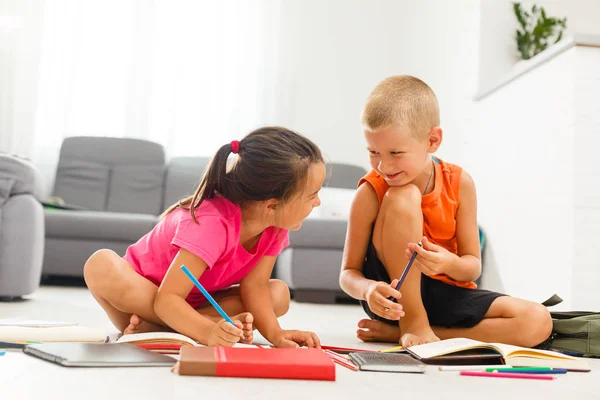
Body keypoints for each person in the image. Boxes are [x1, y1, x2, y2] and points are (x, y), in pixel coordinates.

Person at [339, 75, 552, 348]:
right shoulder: (369, 192)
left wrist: (448, 263)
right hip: (397, 302)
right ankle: (413, 324)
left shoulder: (460, 183)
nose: (384, 166)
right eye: (374, 152)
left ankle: (415, 333)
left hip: (447, 294)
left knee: (538, 321)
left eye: (395, 152)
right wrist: (367, 289)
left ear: (432, 140)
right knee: (403, 196)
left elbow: (471, 266)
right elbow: (348, 273)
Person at [84, 126, 326, 348]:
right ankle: (181, 327)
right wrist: (208, 330)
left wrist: (275, 334)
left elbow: (256, 286)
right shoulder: (211, 222)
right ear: (271, 205)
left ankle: (164, 329)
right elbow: (167, 299)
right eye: (312, 195)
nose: (318, 201)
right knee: (100, 264)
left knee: (278, 294)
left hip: (192, 303)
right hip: (147, 298)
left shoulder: (274, 225)